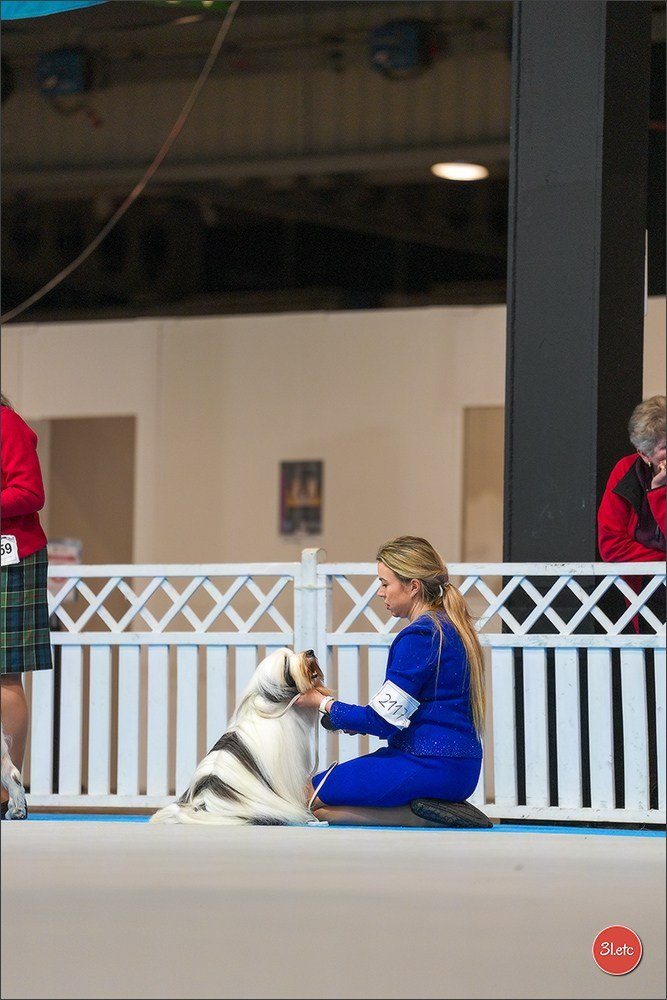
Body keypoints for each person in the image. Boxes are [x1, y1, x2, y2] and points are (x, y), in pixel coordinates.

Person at [295, 535, 492, 828]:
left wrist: (322, 703)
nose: (380, 592)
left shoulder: (421, 635)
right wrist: (347, 719)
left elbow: (381, 722)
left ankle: (428, 819)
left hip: (424, 763)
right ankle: (430, 814)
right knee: (323, 809)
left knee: (305, 797)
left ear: (413, 586)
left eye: (385, 583)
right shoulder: (454, 628)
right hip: (461, 770)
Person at [1, 392, 54, 820]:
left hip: (11, 557)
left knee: (4, 671)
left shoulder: (7, 425)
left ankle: (5, 790)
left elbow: (30, 492)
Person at [597, 395, 666, 631]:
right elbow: (611, 545)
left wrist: (659, 496)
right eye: (664, 448)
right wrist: (662, 562)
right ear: (644, 455)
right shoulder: (625, 471)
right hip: (643, 593)